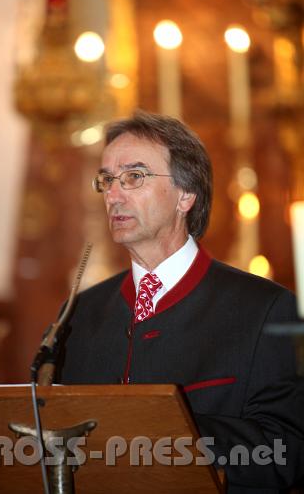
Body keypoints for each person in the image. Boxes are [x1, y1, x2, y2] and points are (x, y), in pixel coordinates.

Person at [56, 110, 304, 492]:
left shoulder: (265, 309)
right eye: (106, 180)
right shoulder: (78, 314)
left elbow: (286, 452)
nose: (113, 195)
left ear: (186, 194)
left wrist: (163, 431)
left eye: (133, 177)